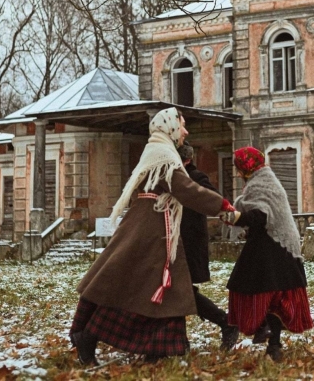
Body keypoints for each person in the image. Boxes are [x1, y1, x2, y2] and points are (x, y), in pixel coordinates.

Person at [69, 107, 234, 365]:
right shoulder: (164, 154)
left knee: (157, 290)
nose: (186, 131)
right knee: (141, 289)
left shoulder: (156, 149)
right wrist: (223, 206)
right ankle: (89, 338)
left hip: (149, 226)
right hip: (152, 231)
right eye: (182, 125)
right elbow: (186, 188)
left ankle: (155, 348)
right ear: (170, 126)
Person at [220, 146, 313, 362]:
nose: (237, 172)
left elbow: (260, 216)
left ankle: (267, 333)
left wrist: (234, 217)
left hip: (275, 245)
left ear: (246, 166)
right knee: (272, 295)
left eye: (238, 168)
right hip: (271, 243)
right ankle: (271, 340)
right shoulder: (262, 180)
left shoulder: (262, 183)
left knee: (259, 290)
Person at [177, 141, 239, 350]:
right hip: (176, 243)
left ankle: (226, 322)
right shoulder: (175, 178)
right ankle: (179, 340)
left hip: (189, 244)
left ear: (185, 159)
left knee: (181, 290)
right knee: (177, 291)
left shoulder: (195, 177)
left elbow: (213, 200)